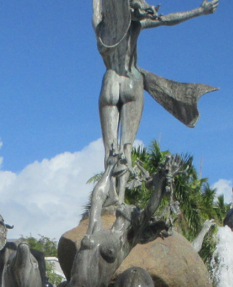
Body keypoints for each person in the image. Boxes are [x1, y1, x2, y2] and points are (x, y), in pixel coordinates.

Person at [93, 0, 219, 198]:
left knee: (110, 147)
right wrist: (199, 11)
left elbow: (97, 12)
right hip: (132, 82)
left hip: (110, 80)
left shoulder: (101, 28)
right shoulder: (137, 24)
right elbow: (167, 20)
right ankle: (121, 199)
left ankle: (110, 196)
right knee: (127, 146)